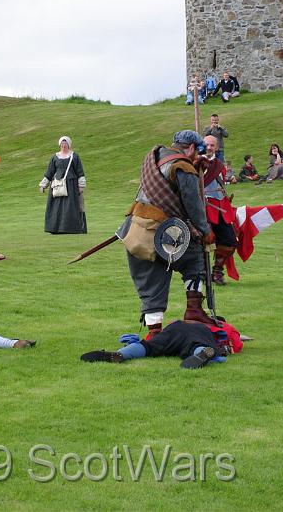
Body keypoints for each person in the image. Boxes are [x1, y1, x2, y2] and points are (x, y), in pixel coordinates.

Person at [120, 130, 215, 338]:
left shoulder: (156, 157)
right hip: (162, 233)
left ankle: (154, 332)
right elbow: (193, 204)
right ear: (190, 148)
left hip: (134, 228)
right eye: (197, 152)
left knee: (150, 279)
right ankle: (194, 310)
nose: (197, 157)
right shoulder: (183, 166)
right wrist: (205, 231)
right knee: (195, 255)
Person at [80, 319, 242, 370]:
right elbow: (236, 342)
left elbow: (152, 339)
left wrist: (135, 341)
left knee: (148, 347)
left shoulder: (185, 320)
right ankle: (204, 353)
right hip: (199, 334)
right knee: (197, 346)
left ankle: (122, 354)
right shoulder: (219, 326)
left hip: (174, 328)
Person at [202, 135, 237, 285]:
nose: (209, 148)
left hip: (220, 206)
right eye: (207, 145)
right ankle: (200, 272)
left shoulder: (219, 164)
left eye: (212, 145)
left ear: (216, 147)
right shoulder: (195, 162)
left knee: (229, 242)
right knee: (202, 241)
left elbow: (223, 181)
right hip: (202, 206)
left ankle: (217, 271)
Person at [39, 136, 87, 234]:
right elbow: (50, 172)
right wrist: (43, 185)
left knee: (70, 207)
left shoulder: (74, 156)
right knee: (56, 207)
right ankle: (56, 228)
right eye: (62, 144)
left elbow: (80, 171)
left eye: (65, 144)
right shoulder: (55, 157)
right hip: (57, 185)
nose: (63, 146)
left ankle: (70, 229)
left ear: (69, 145)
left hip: (71, 186)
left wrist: (81, 185)